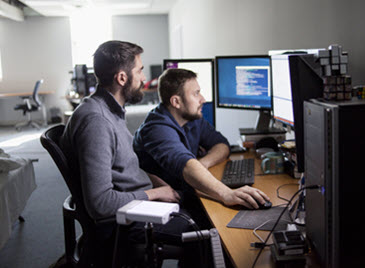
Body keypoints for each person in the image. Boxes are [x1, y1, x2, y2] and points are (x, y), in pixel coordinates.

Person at [60, 40, 198, 267]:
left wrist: (153, 181)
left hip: (136, 208)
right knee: (208, 232)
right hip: (126, 225)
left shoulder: (109, 111)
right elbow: (101, 203)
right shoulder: (97, 122)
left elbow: (120, 165)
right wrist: (155, 193)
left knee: (198, 204)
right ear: (122, 78)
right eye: (140, 71)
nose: (144, 78)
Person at [133, 68, 270, 226]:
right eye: (196, 93)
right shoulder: (156, 128)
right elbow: (186, 165)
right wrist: (227, 193)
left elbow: (222, 144)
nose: (203, 99)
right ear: (176, 102)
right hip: (166, 206)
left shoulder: (191, 118)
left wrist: (203, 164)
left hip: (188, 194)